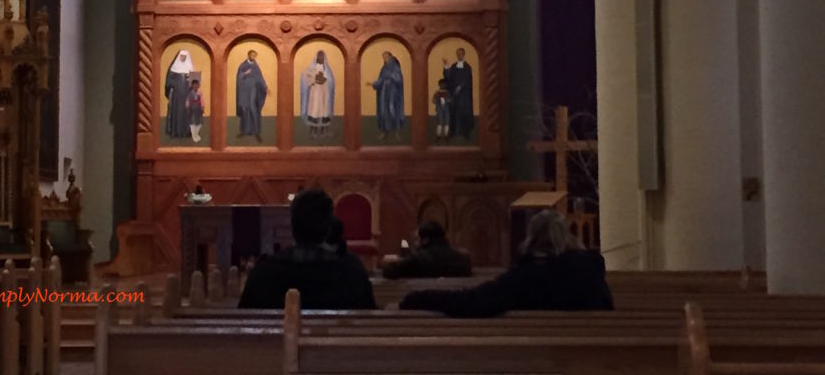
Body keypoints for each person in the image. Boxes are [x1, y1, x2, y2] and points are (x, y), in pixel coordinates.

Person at [399, 210, 613, 317]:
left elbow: (472, 301)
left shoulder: (525, 276)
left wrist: (416, 298)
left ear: (531, 240)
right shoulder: (591, 274)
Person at [238, 189, 375, 309]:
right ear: (328, 228)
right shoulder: (352, 273)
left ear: (292, 226)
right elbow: (369, 319)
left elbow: (243, 323)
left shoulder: (263, 273)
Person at [382, 220, 471, 279]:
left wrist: (397, 261)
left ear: (425, 240)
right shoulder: (461, 258)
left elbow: (389, 272)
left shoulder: (417, 259)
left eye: (417, 239)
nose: (415, 243)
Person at [369, 51, 404, 140]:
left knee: (393, 111)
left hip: (393, 94)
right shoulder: (384, 68)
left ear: (390, 57)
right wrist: (374, 84)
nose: (384, 59)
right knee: (383, 112)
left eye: (386, 57)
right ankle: (384, 132)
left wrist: (390, 76)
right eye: (383, 57)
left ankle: (397, 132)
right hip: (384, 94)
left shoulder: (395, 67)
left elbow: (398, 80)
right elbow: (381, 79)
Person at [300, 50, 335, 138]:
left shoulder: (327, 69)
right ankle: (313, 131)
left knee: (324, 111)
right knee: (314, 110)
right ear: (316, 57)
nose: (321, 58)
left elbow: (330, 80)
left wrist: (325, 79)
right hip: (315, 93)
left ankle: (324, 131)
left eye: (322, 56)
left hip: (324, 93)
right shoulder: (312, 68)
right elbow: (305, 76)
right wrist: (315, 79)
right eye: (319, 56)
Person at [236, 50, 267, 142]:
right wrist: (245, 73)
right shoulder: (243, 66)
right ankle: (244, 131)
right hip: (244, 92)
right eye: (252, 55)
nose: (253, 57)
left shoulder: (256, 67)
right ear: (248, 55)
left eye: (255, 56)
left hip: (253, 91)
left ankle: (256, 132)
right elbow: (239, 77)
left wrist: (265, 87)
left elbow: (260, 78)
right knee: (245, 110)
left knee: (253, 109)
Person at [443, 48, 474, 139]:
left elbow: (468, 80)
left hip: (464, 96)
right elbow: (448, 77)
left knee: (464, 113)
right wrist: (445, 66)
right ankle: (453, 132)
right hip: (455, 96)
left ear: (463, 55)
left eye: (460, 54)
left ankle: (466, 133)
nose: (459, 55)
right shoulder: (453, 66)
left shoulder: (467, 67)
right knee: (454, 112)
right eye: (457, 54)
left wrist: (460, 87)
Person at [164, 49, 194, 139]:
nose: (183, 58)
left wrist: (191, 81)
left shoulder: (190, 68)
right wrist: (175, 84)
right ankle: (176, 132)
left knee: (186, 112)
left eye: (185, 56)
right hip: (176, 96)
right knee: (177, 111)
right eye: (182, 56)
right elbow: (169, 81)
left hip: (186, 95)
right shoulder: (174, 68)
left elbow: (195, 83)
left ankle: (186, 132)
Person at [185, 78, 204, 143]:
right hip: (192, 110)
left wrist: (202, 107)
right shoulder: (190, 93)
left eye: (197, 84)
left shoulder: (199, 93)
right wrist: (187, 107)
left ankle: (197, 134)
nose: (196, 86)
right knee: (193, 123)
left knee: (199, 124)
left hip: (198, 110)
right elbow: (187, 101)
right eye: (195, 84)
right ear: (192, 85)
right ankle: (194, 136)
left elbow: (201, 100)